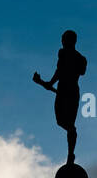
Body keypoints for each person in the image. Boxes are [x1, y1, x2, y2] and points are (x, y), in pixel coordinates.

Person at [33, 31, 88, 165]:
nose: (62, 42)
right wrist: (48, 83)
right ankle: (71, 148)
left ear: (70, 40)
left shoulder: (64, 53)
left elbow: (60, 71)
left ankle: (70, 153)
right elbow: (80, 72)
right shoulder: (81, 58)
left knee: (65, 123)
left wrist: (49, 83)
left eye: (63, 39)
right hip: (72, 91)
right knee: (64, 123)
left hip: (65, 89)